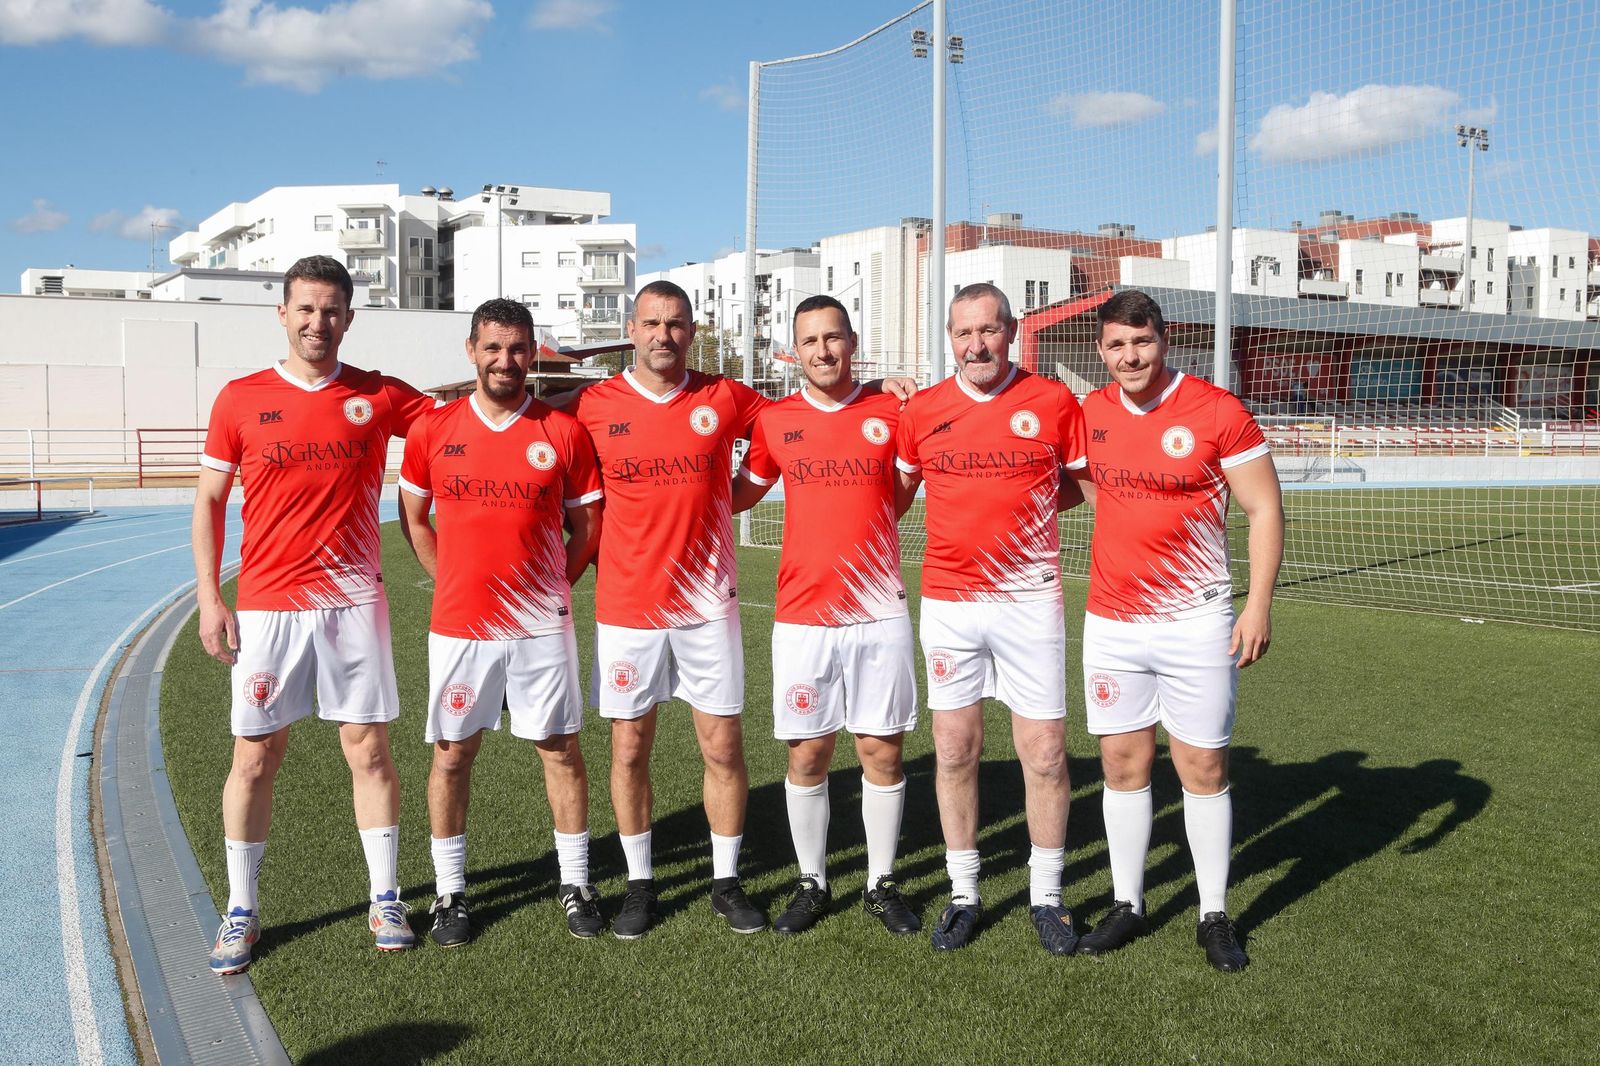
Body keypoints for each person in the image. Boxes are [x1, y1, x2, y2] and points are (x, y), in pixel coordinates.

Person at [193, 256, 436, 973]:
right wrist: (212, 596)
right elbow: (208, 501)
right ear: (283, 314)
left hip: (354, 604)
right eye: (305, 309)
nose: (317, 322)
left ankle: (385, 896)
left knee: (368, 751)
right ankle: (241, 910)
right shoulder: (240, 399)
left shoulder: (381, 396)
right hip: (267, 608)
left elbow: (460, 432)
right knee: (255, 757)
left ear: (349, 318)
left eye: (331, 310)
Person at [1066, 289, 1283, 973]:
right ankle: (1127, 903)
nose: (1130, 357)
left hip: (1196, 623)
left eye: (1142, 342)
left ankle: (1213, 914)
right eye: (1117, 346)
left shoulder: (1217, 411)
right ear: (1102, 351)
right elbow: (1086, 489)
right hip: (1113, 622)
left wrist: (1259, 605)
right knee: (1122, 766)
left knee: (1204, 767)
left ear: (1166, 341)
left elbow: (1265, 507)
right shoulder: (1091, 412)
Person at [396, 299, 604, 947]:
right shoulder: (436, 430)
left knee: (560, 749)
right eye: (493, 348)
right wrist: (449, 579)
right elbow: (414, 517)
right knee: (453, 754)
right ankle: (450, 895)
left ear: (532, 352)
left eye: (517, 349)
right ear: (471, 350)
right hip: (461, 626)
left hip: (541, 626)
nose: (505, 361)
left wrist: (549, 588)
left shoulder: (562, 433)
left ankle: (575, 882)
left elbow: (588, 526)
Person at [894, 283, 1088, 954]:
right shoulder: (919, 411)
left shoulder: (1053, 403)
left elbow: (1080, 486)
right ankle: (964, 891)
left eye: (988, 330)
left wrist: (1020, 511)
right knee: (954, 750)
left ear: (1010, 332)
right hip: (950, 604)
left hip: (1030, 601)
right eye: (963, 332)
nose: (976, 344)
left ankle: (1047, 895)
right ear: (949, 338)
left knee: (1045, 753)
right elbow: (892, 496)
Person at [731, 295, 921, 937]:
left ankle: (881, 882)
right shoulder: (775, 420)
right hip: (803, 614)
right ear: (795, 349)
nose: (823, 351)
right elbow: (738, 493)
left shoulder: (891, 409)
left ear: (852, 341)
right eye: (809, 341)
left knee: (880, 750)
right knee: (808, 754)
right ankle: (812, 880)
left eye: (833, 338)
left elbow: (899, 495)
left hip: (877, 612)